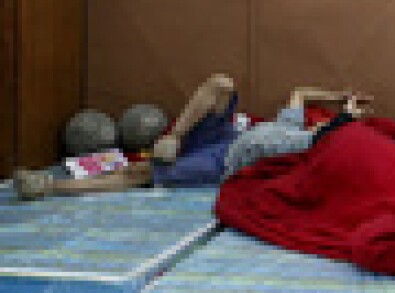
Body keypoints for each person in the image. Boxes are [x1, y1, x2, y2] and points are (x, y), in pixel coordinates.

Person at [12, 74, 372, 199]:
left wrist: (348, 116)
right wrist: (339, 95)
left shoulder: (307, 144)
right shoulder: (293, 124)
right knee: (222, 83)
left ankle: (48, 186)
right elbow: (300, 92)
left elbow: (336, 133)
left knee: (140, 174)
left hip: (222, 162)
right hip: (226, 134)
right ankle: (175, 136)